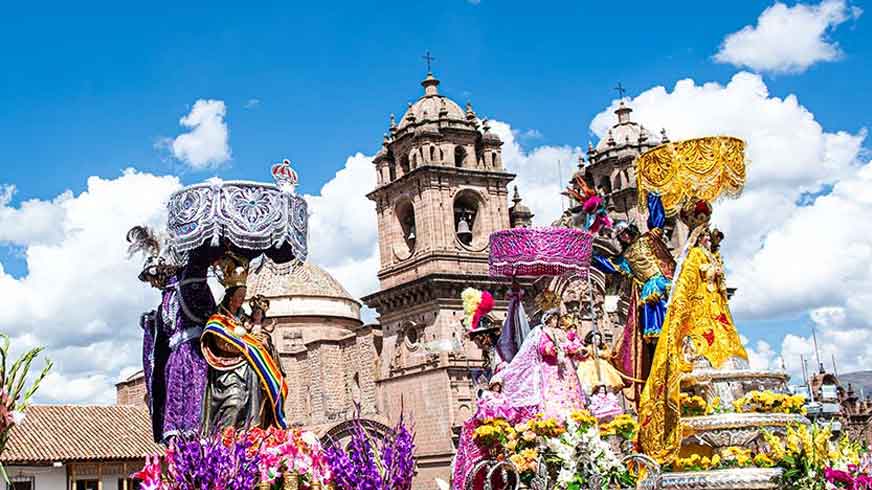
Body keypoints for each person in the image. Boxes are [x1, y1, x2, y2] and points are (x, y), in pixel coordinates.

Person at [638, 222, 748, 464]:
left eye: (711, 236)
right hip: (699, 326)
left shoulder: (712, 257)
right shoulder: (695, 257)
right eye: (706, 236)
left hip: (716, 322)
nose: (710, 240)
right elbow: (683, 289)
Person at [200, 253, 288, 434]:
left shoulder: (245, 318)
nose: (241, 299)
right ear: (230, 296)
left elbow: (257, 336)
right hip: (225, 369)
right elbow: (218, 342)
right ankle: (225, 438)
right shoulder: (218, 318)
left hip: (247, 366)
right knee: (235, 400)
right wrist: (244, 349)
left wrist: (264, 341)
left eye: (244, 296)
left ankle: (251, 432)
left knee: (257, 380)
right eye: (239, 295)